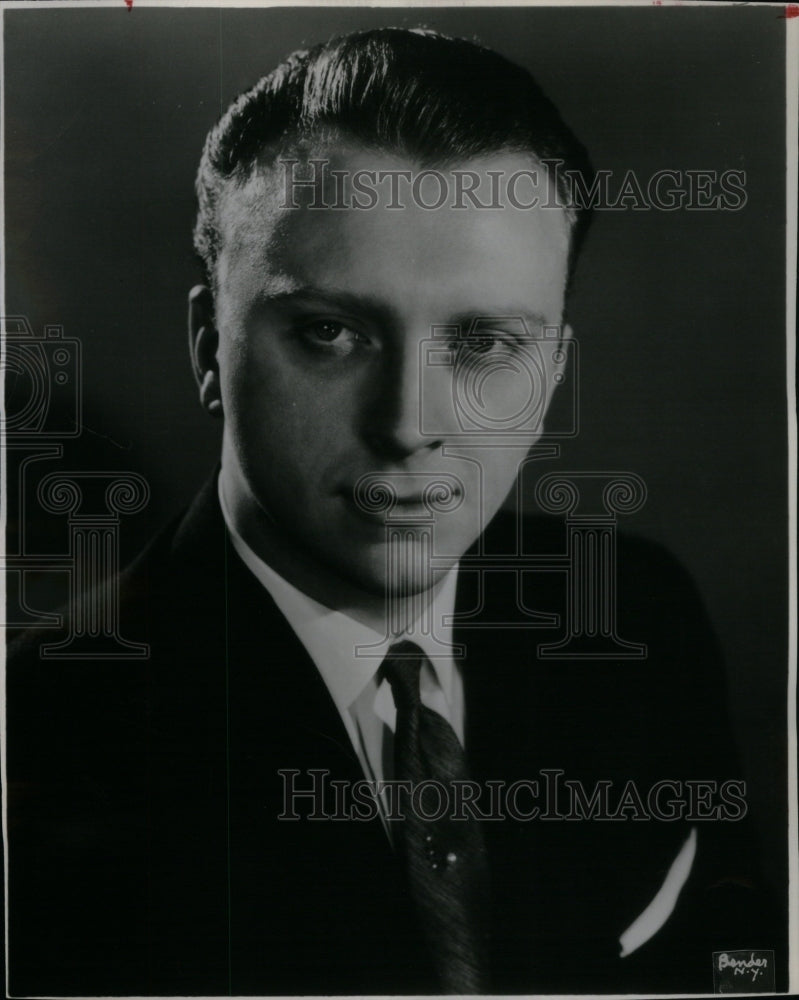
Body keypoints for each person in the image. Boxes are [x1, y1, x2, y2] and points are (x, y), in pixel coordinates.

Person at [6, 27, 781, 996]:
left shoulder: (637, 617)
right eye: (329, 333)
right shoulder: (46, 726)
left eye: (485, 342)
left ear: (551, 377)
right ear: (209, 347)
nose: (408, 423)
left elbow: (734, 969)